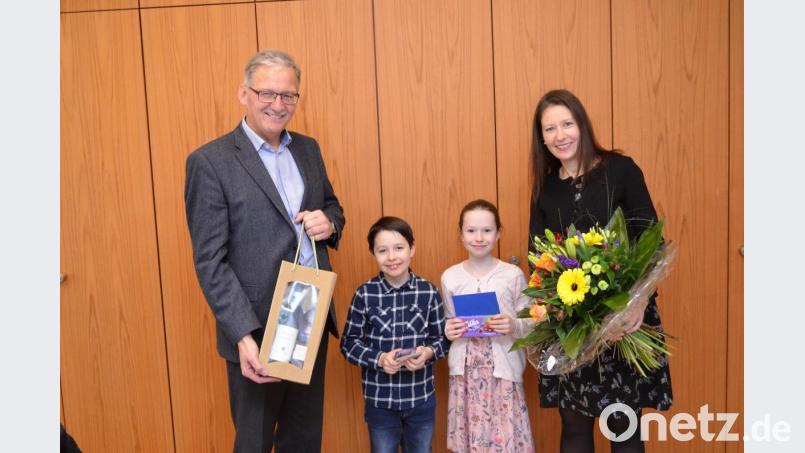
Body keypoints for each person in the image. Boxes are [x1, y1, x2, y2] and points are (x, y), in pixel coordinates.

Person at [184, 49, 345, 453]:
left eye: (288, 96)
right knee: (254, 441)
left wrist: (330, 223)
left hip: (308, 308)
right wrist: (242, 335)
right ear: (244, 94)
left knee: (304, 438)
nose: (278, 104)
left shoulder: (308, 149)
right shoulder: (210, 162)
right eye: (267, 93)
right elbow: (210, 261)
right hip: (256, 327)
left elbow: (332, 206)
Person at [528, 89, 673, 452]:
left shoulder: (621, 170)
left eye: (567, 124)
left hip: (626, 324)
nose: (560, 135)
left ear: (582, 125)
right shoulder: (546, 190)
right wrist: (557, 310)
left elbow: (650, 244)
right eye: (549, 129)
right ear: (541, 138)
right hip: (572, 327)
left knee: (623, 428)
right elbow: (538, 258)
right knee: (573, 427)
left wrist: (636, 306)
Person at [340, 216, 448, 453]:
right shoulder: (364, 294)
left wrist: (427, 352)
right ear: (373, 254)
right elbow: (348, 344)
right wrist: (379, 359)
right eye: (382, 250)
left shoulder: (428, 291)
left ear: (412, 249)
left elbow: (442, 339)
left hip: (420, 399)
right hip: (380, 402)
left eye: (399, 248)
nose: (392, 257)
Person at [441, 199, 535, 453]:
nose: (479, 237)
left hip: (502, 371)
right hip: (466, 373)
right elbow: (449, 321)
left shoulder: (512, 275)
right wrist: (449, 330)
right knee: (471, 440)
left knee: (504, 441)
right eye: (471, 230)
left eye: (487, 230)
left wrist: (513, 324)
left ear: (498, 233)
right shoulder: (450, 277)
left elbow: (533, 323)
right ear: (461, 234)